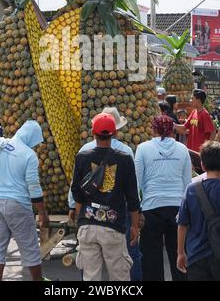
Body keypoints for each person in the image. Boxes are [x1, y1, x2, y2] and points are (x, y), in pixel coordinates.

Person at [68, 106, 143, 281]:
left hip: (88, 225)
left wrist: (79, 216)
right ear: (114, 133)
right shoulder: (125, 158)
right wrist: (134, 226)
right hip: (114, 226)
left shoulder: (82, 156)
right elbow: (132, 196)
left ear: (93, 134)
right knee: (119, 278)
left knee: (91, 278)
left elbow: (76, 191)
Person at [0, 120, 49, 281]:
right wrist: (42, 212)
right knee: (30, 248)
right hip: (18, 204)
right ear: (32, 138)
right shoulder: (29, 155)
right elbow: (33, 185)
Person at [135, 114, 191, 281]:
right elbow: (187, 183)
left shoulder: (143, 148)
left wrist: (137, 209)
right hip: (178, 209)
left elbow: (136, 183)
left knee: (151, 259)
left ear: (153, 129)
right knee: (179, 254)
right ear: (172, 130)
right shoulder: (182, 149)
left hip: (151, 207)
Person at [177, 141, 220, 281]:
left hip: (196, 255)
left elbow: (182, 225)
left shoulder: (192, 189)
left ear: (202, 165)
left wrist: (180, 252)